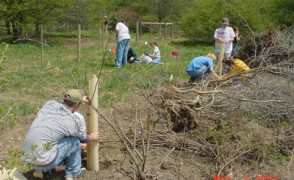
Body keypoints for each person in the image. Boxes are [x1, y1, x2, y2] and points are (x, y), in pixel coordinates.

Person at [22, 89, 99, 180]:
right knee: (74, 142)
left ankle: (42, 171)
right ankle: (73, 173)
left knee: (52, 138)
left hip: (27, 160)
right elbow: (83, 138)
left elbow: (59, 101)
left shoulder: (49, 105)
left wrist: (79, 99)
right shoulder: (70, 121)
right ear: (76, 105)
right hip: (44, 161)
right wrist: (92, 137)